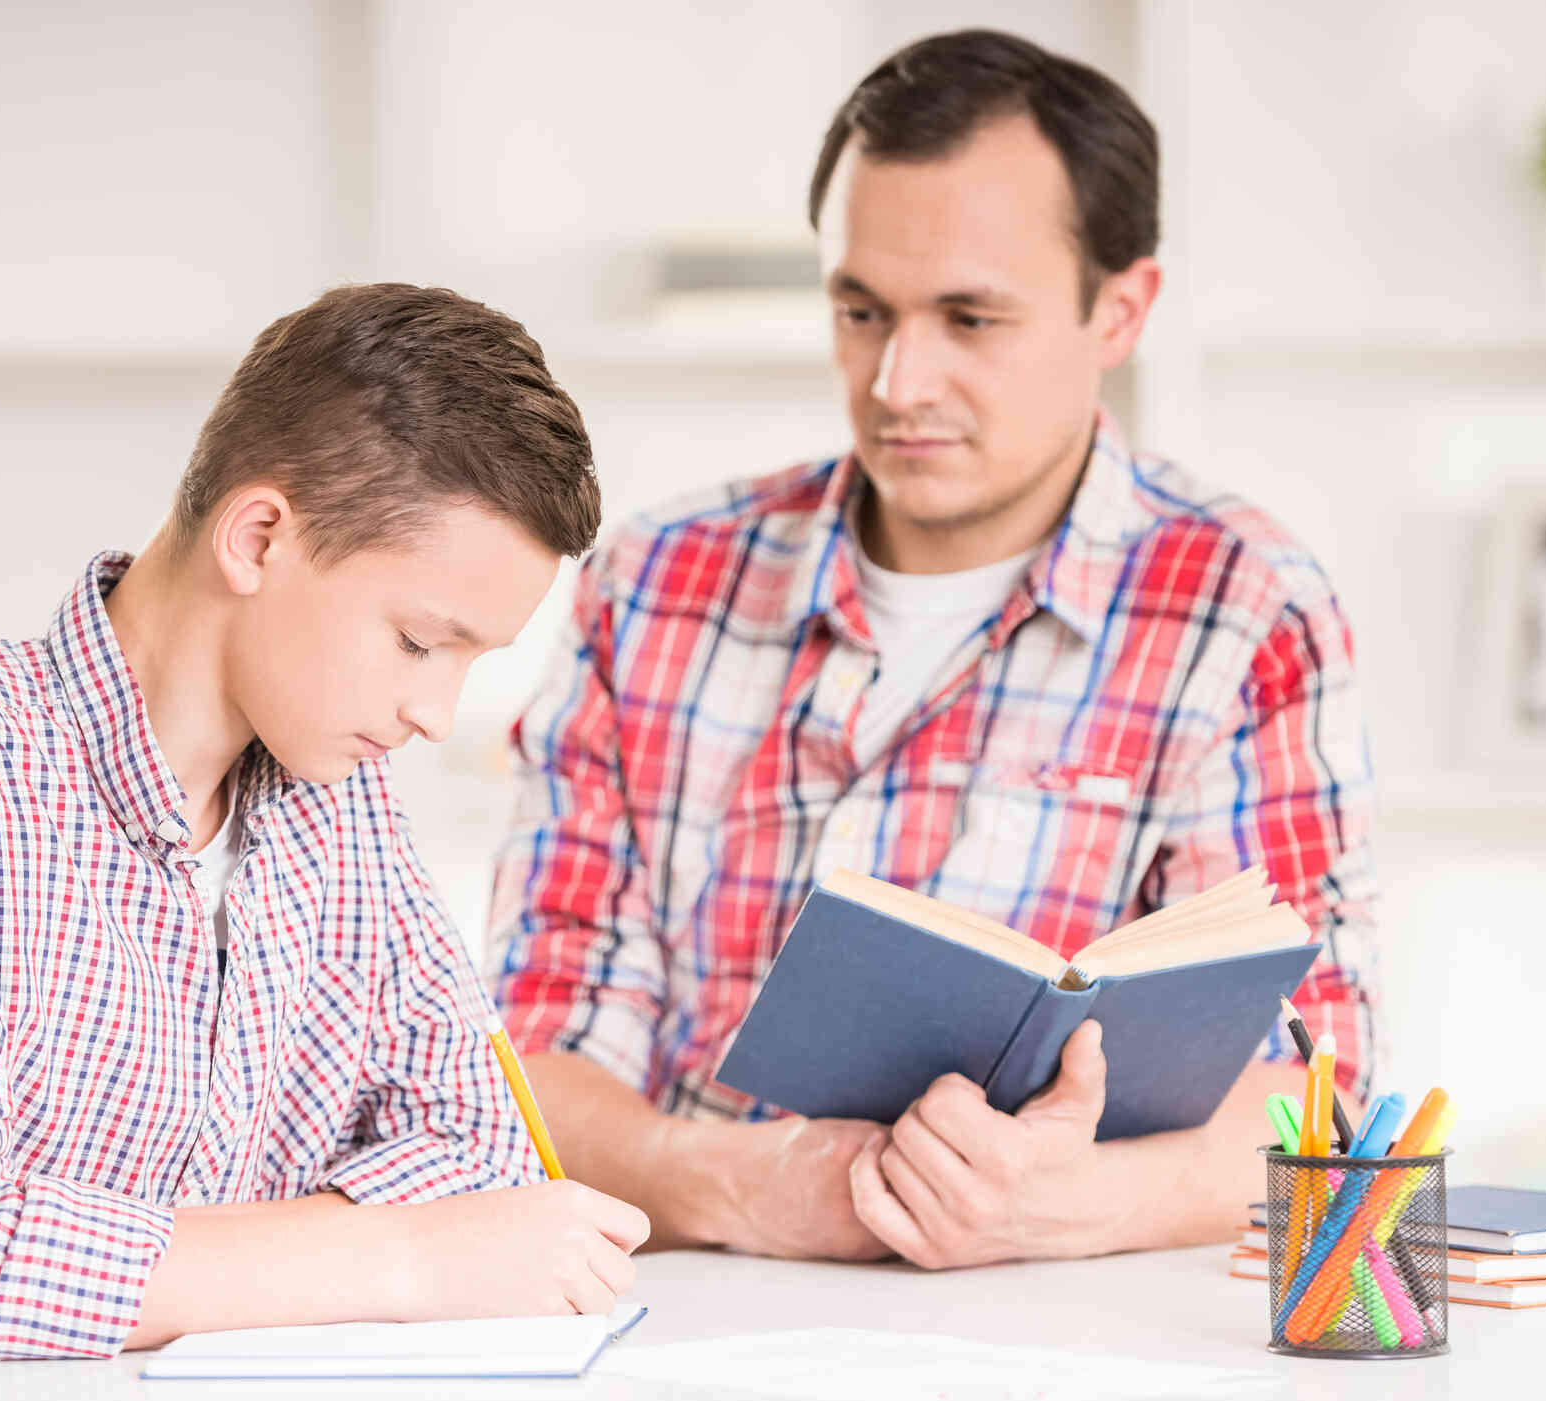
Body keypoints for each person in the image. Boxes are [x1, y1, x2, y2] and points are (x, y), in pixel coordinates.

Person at [490, 30, 1378, 1270]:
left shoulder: (1243, 609)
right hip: (689, 1325)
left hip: (1069, 1342)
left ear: (1119, 309)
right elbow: (530, 1052)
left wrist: (1058, 1206)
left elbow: (1314, 1088)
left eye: (969, 318)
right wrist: (746, 1186)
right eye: (861, 311)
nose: (898, 380)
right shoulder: (653, 582)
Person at [0, 283, 648, 1363]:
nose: (434, 714)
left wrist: (166, 1265)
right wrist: (403, 1258)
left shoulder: (341, 805)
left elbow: (484, 1151)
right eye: (420, 643)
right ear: (256, 537)